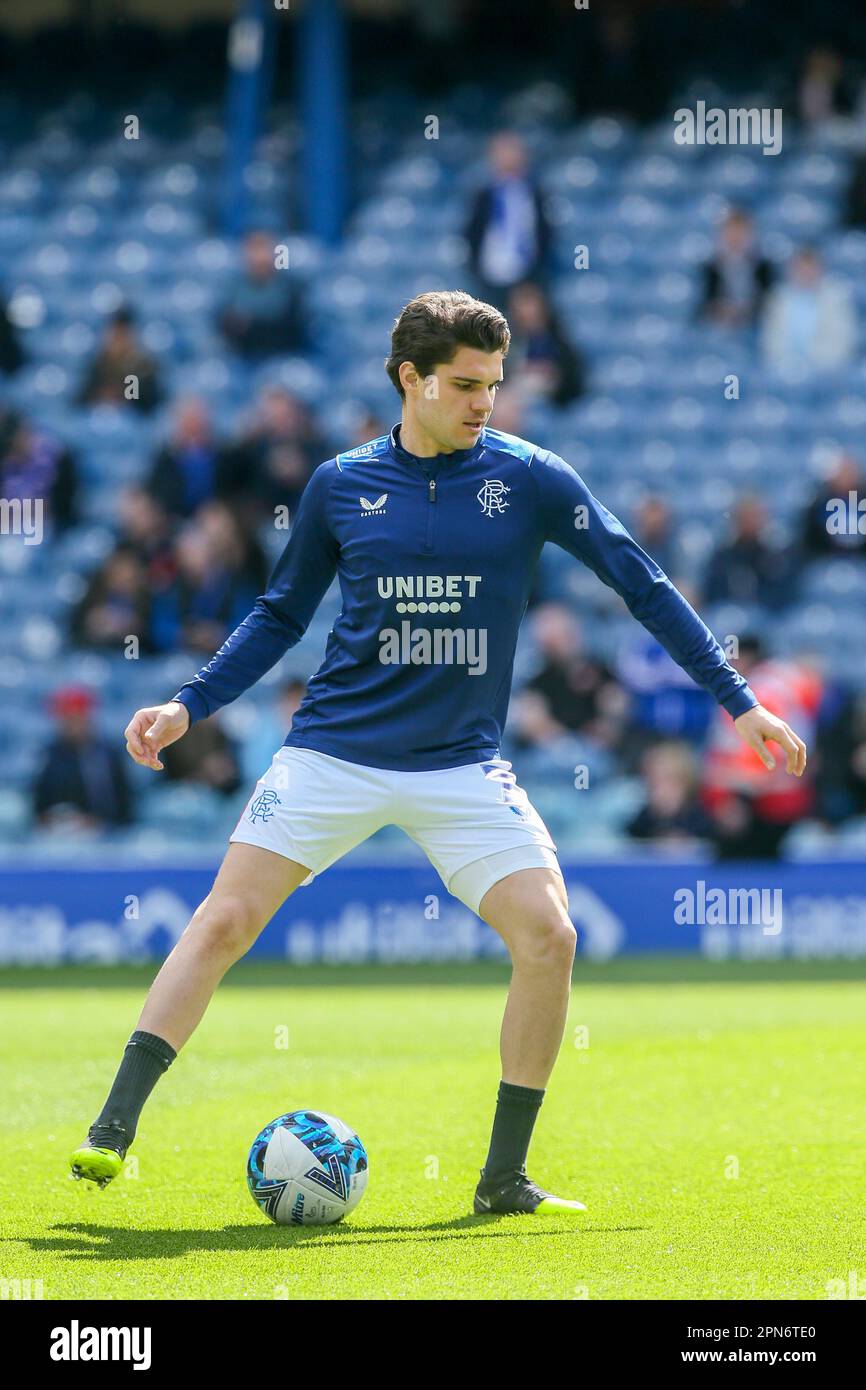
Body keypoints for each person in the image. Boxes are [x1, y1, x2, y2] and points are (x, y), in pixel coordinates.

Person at [70, 290, 807, 1218]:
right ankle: (111, 1132)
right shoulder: (339, 484)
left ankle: (503, 1179)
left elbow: (641, 581)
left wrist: (739, 703)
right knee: (222, 924)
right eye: (465, 384)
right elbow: (279, 615)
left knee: (550, 937)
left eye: (494, 385)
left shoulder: (532, 478)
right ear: (408, 379)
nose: (484, 402)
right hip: (332, 752)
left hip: (462, 766)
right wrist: (189, 705)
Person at [464, 133, 552, 309]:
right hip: (489, 275)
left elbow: (546, 233)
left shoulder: (536, 194)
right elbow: (472, 232)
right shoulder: (482, 195)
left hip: (528, 274)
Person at [32, 686, 132, 832]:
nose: (72, 723)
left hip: (104, 836)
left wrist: (95, 821)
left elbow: (125, 808)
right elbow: (37, 807)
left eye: (77, 716)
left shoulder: (108, 755)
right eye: (67, 716)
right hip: (55, 836)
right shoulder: (47, 754)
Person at [761, 247, 857, 374]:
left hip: (827, 369)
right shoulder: (779, 298)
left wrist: (812, 364)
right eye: (800, 269)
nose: (806, 273)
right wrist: (787, 363)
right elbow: (771, 339)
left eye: (810, 268)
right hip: (783, 368)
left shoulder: (836, 297)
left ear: (821, 269)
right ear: (791, 270)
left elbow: (843, 342)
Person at [217, 229, 306, 360]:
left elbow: (292, 328)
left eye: (264, 249)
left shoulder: (291, 288)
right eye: (254, 250)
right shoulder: (232, 288)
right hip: (243, 359)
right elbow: (226, 326)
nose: (259, 257)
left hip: (283, 357)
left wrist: (250, 325)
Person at [505, 281, 585, 407]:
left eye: (529, 302)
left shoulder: (560, 344)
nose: (526, 311)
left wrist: (553, 375)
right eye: (520, 304)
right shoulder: (506, 343)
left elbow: (574, 382)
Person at [699, 208, 774, 329]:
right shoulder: (711, 268)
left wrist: (745, 310)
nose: (735, 238)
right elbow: (705, 305)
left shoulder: (763, 267)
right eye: (730, 232)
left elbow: (770, 304)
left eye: (740, 232)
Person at [78, 305, 161, 413]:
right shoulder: (97, 363)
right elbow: (82, 400)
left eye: (124, 335)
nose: (119, 342)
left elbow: (149, 404)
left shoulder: (143, 365)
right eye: (116, 335)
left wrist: (124, 395)